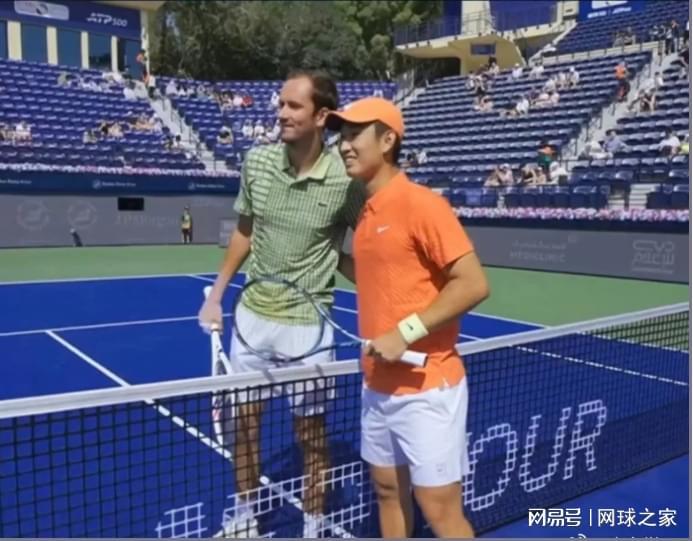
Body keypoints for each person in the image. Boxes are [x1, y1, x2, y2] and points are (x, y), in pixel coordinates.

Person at [197, 69, 366, 538]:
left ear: (322, 116)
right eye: (281, 104)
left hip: (309, 329)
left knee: (310, 437)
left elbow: (370, 248)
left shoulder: (346, 180)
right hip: (252, 321)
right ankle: (245, 516)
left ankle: (313, 524)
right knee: (245, 428)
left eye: (294, 106)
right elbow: (244, 232)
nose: (282, 113)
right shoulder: (257, 162)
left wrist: (358, 271)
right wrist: (216, 295)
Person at [325, 97, 490, 538]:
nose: (344, 145)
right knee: (386, 491)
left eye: (354, 135)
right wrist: (328, 258)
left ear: (387, 141)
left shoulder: (422, 204)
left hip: (427, 388)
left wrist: (406, 332)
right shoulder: (366, 213)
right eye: (342, 137)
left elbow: (473, 283)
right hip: (376, 385)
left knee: (438, 508)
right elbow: (379, 279)